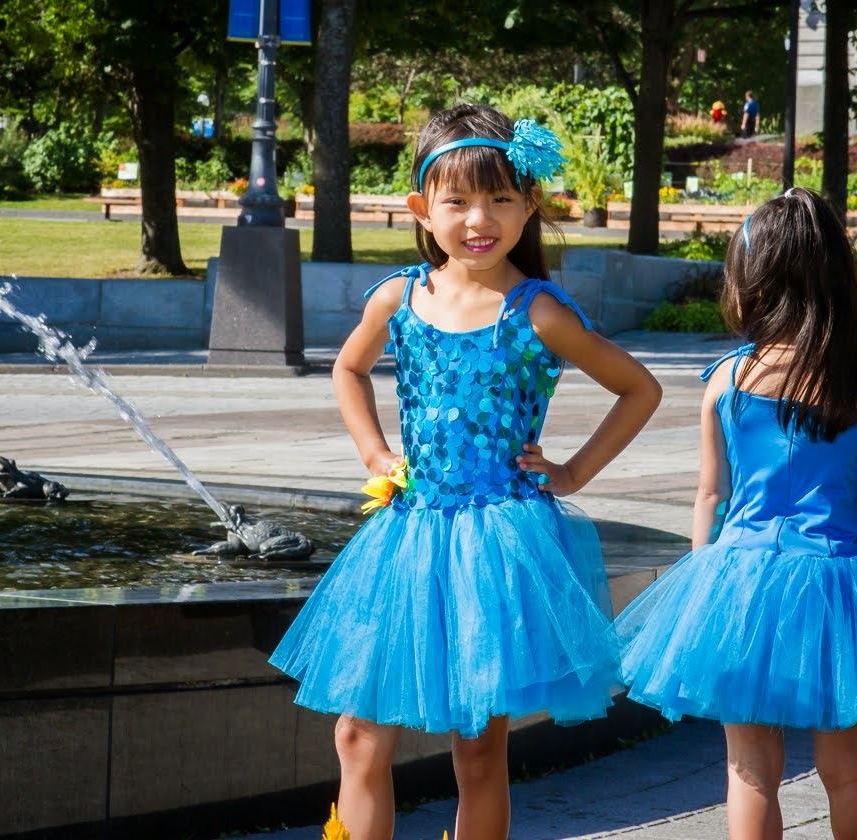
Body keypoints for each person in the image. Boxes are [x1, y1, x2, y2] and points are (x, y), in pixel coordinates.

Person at [268, 103, 662, 840]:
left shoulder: (538, 311)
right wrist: (376, 454)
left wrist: (572, 473)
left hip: (498, 542)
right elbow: (348, 369)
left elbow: (640, 388)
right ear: (421, 207)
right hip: (408, 537)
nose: (479, 219)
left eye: (500, 200)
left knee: (478, 751)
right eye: (456, 202)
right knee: (357, 734)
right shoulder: (401, 297)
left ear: (529, 205)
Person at [614, 188, 857, 839]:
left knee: (749, 768)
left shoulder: (725, 382)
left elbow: (710, 498)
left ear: (751, 279)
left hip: (737, 579)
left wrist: (703, 590)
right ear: (836, 277)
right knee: (849, 770)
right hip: (836, 586)